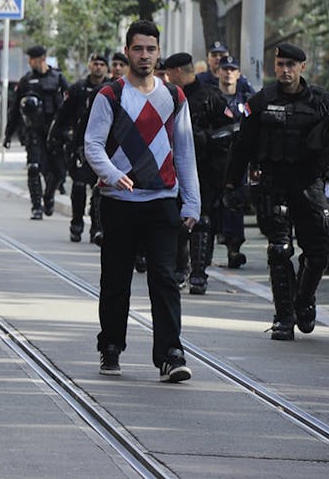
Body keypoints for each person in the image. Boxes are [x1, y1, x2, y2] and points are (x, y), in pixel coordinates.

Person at [84, 20, 198, 383]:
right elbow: (92, 145)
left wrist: (192, 202)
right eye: (138, 49)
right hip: (119, 201)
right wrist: (112, 173)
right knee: (116, 279)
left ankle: (170, 354)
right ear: (127, 51)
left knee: (164, 278)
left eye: (150, 49)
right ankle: (111, 345)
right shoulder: (110, 95)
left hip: (162, 200)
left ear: (159, 52)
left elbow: (185, 151)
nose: (144, 56)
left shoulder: (174, 97)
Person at [225, 42, 329, 340]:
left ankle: (304, 300)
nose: (285, 70)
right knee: (279, 250)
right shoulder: (261, 101)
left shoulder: (320, 101)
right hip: (273, 185)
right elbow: (242, 146)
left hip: (309, 184)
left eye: (291, 65)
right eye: (280, 65)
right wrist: (231, 184)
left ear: (302, 67)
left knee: (319, 251)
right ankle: (284, 317)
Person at [163, 52, 232, 294]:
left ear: (177, 72)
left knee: (201, 220)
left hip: (204, 168)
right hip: (172, 168)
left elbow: (232, 129)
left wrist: (205, 139)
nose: (166, 78)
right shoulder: (167, 96)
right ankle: (179, 268)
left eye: (169, 73)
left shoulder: (210, 96)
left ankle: (199, 274)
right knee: (175, 218)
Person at [6, 45, 67, 220]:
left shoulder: (58, 78)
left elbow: (70, 104)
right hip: (34, 131)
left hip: (55, 132)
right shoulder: (26, 81)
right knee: (33, 168)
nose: (29, 62)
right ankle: (36, 207)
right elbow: (15, 110)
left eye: (32, 59)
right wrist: (8, 134)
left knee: (59, 172)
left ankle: (49, 196)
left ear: (42, 59)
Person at [54, 54, 110, 244]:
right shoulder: (78, 89)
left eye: (102, 64)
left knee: (99, 190)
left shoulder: (112, 89)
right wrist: (60, 138)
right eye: (95, 64)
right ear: (89, 66)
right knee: (78, 186)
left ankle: (97, 228)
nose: (98, 67)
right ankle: (77, 224)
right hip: (81, 145)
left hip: (105, 147)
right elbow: (64, 115)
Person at [214, 55, 255, 268]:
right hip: (214, 160)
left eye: (232, 69)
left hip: (238, 160)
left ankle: (234, 249)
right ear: (218, 72)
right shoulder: (210, 98)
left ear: (238, 74)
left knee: (235, 203)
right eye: (225, 69)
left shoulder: (246, 100)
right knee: (212, 205)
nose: (228, 73)